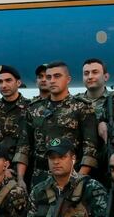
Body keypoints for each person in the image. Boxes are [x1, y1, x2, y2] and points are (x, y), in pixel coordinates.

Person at [15, 61, 98, 189]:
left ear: (68, 79)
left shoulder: (82, 107)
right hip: (40, 178)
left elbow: (90, 147)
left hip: (71, 175)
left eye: (57, 76)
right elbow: (24, 146)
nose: (52, 81)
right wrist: (20, 179)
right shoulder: (34, 109)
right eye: (49, 77)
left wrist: (79, 179)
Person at [79, 58, 111, 184]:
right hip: (80, 165)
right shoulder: (73, 103)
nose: (90, 76)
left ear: (106, 76)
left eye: (95, 72)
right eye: (86, 73)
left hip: (107, 166)